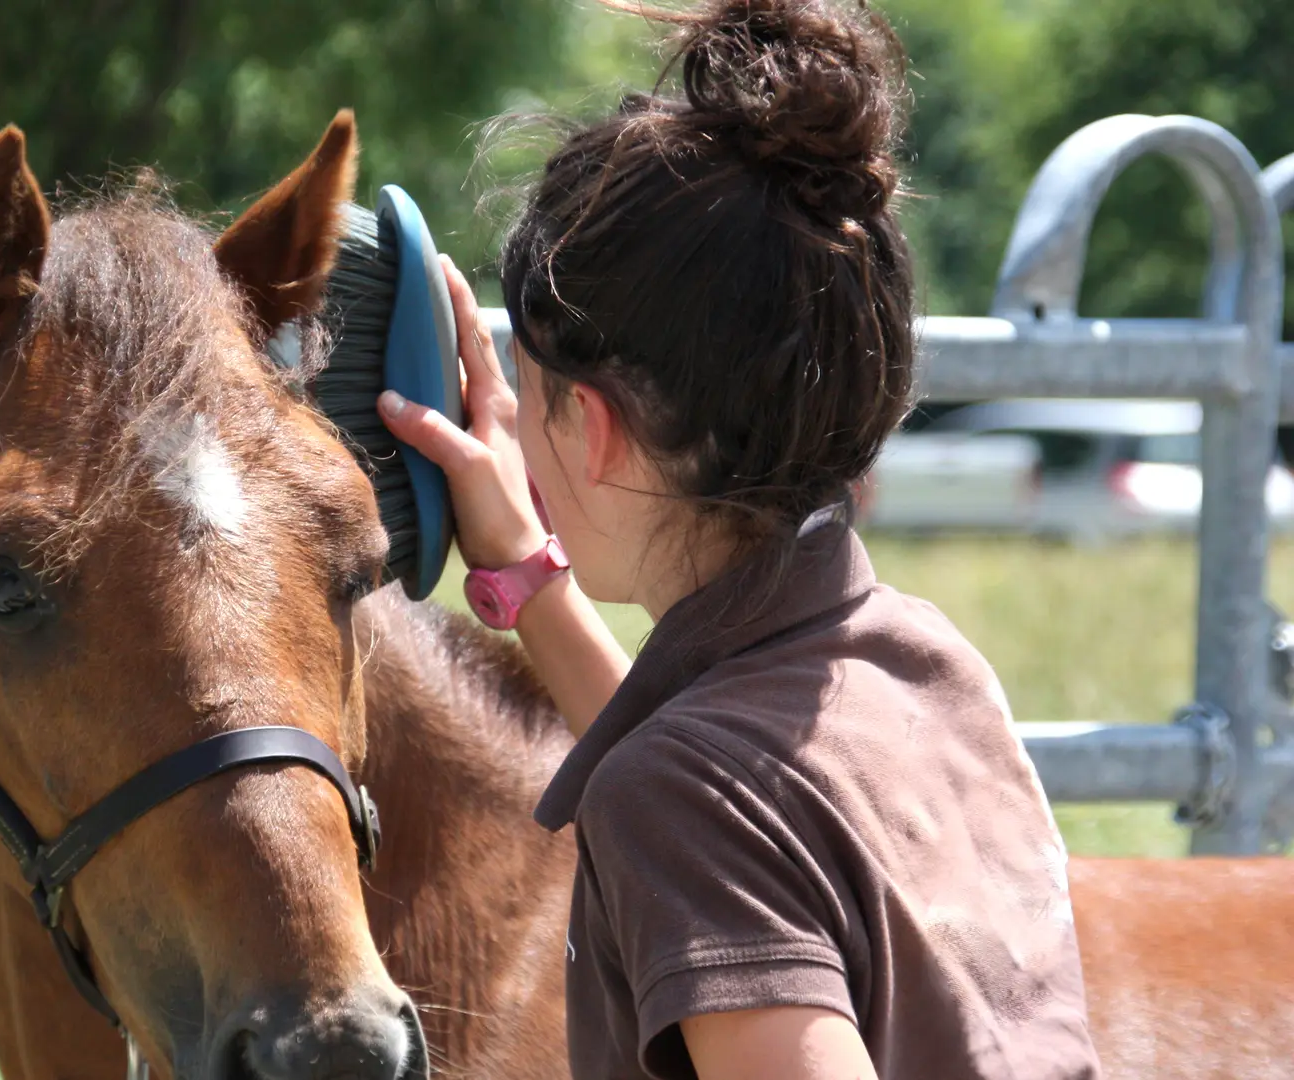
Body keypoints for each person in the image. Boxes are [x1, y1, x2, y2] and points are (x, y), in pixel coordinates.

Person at [373, 0, 1101, 1077]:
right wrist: (524, 571)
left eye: (530, 397)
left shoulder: (681, 796)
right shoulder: (919, 665)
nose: (518, 436)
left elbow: (700, 806)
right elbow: (721, 798)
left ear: (596, 427)